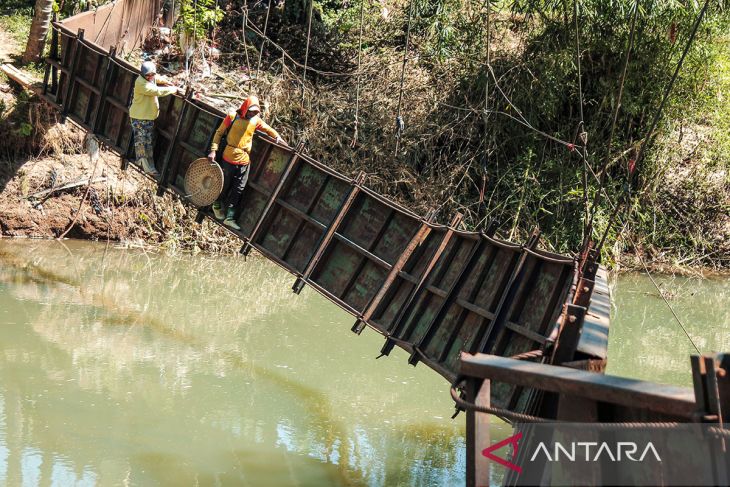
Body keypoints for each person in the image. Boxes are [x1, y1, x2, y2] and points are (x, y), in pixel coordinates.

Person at [208, 95, 285, 230]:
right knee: (224, 185)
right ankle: (216, 205)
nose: (252, 114)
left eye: (255, 112)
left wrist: (277, 137)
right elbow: (219, 133)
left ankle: (229, 218)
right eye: (251, 111)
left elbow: (268, 129)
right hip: (229, 157)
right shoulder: (232, 116)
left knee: (239, 189)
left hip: (244, 161)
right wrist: (213, 150)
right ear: (245, 108)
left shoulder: (255, 121)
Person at [129, 61, 178, 177]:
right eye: (148, 75)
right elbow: (157, 91)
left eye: (152, 74)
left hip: (148, 117)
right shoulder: (141, 83)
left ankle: (148, 165)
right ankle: (147, 168)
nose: (150, 77)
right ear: (142, 74)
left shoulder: (151, 78)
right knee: (142, 143)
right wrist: (173, 89)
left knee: (148, 142)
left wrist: (168, 82)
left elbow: (158, 79)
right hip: (139, 118)